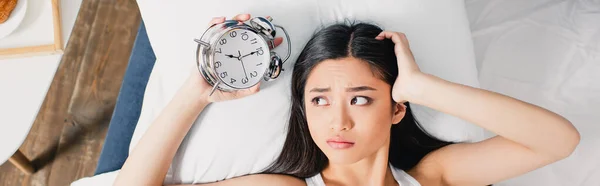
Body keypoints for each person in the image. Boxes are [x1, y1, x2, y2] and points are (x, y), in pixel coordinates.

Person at [113, 14, 580, 186]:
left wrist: (423, 87)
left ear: (396, 108)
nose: (338, 122)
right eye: (319, 100)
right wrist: (197, 92)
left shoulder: (435, 175)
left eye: (360, 100)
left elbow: (557, 141)